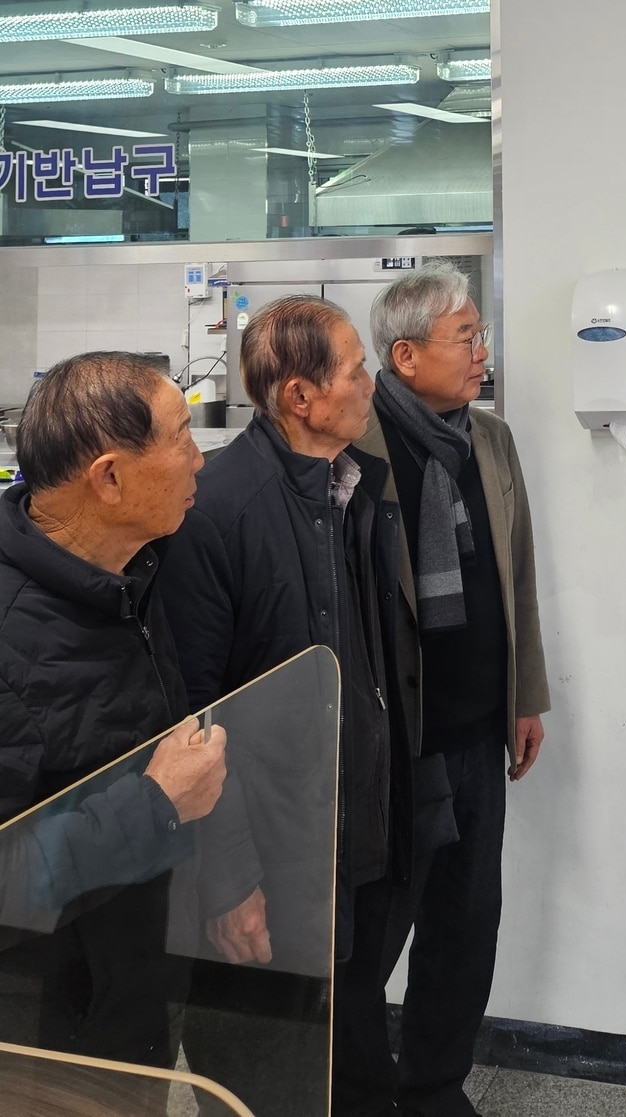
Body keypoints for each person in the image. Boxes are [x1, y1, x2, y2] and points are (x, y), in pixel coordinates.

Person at [160, 296, 411, 1117]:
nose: (370, 380)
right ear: (300, 396)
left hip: (348, 839)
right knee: (263, 1072)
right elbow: (190, 711)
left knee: (338, 1051)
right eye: (354, 367)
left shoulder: (349, 489)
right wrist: (230, 880)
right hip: (268, 852)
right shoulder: (219, 509)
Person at [0, 352, 226, 1081]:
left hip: (131, 1001)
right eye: (183, 436)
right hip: (41, 1044)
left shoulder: (132, 574)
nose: (200, 458)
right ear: (109, 477)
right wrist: (155, 804)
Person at [359, 264, 549, 1117]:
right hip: (396, 739)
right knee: (372, 936)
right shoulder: (355, 446)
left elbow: (521, 579)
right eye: (465, 337)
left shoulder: (490, 439)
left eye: (479, 334)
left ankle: (434, 1084)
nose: (481, 352)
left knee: (466, 923)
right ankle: (359, 1091)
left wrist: (526, 694)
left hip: (476, 724)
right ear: (405, 354)